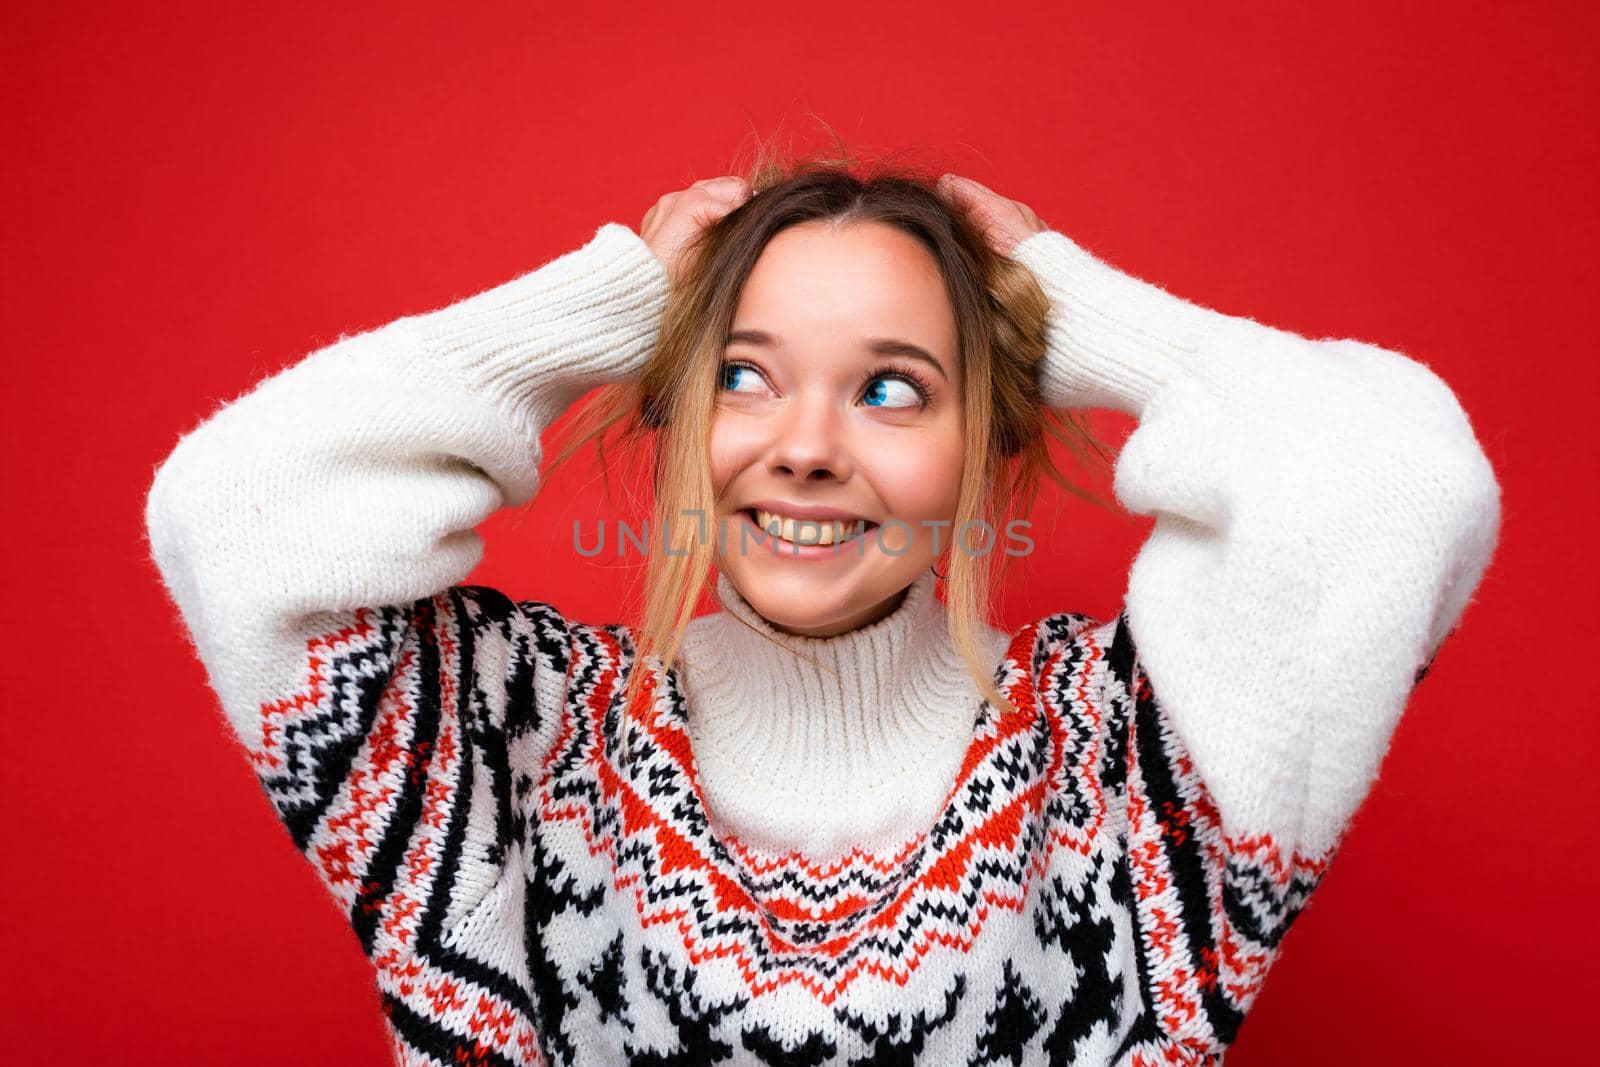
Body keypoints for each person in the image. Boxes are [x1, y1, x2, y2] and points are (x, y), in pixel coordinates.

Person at [143, 155, 1501, 1066]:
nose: (804, 446)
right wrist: (608, 303)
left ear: (989, 443)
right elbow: (236, 512)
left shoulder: (1132, 767)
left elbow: (1401, 491)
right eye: (744, 376)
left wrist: (1069, 309)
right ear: (675, 415)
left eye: (894, 388)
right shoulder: (513, 744)